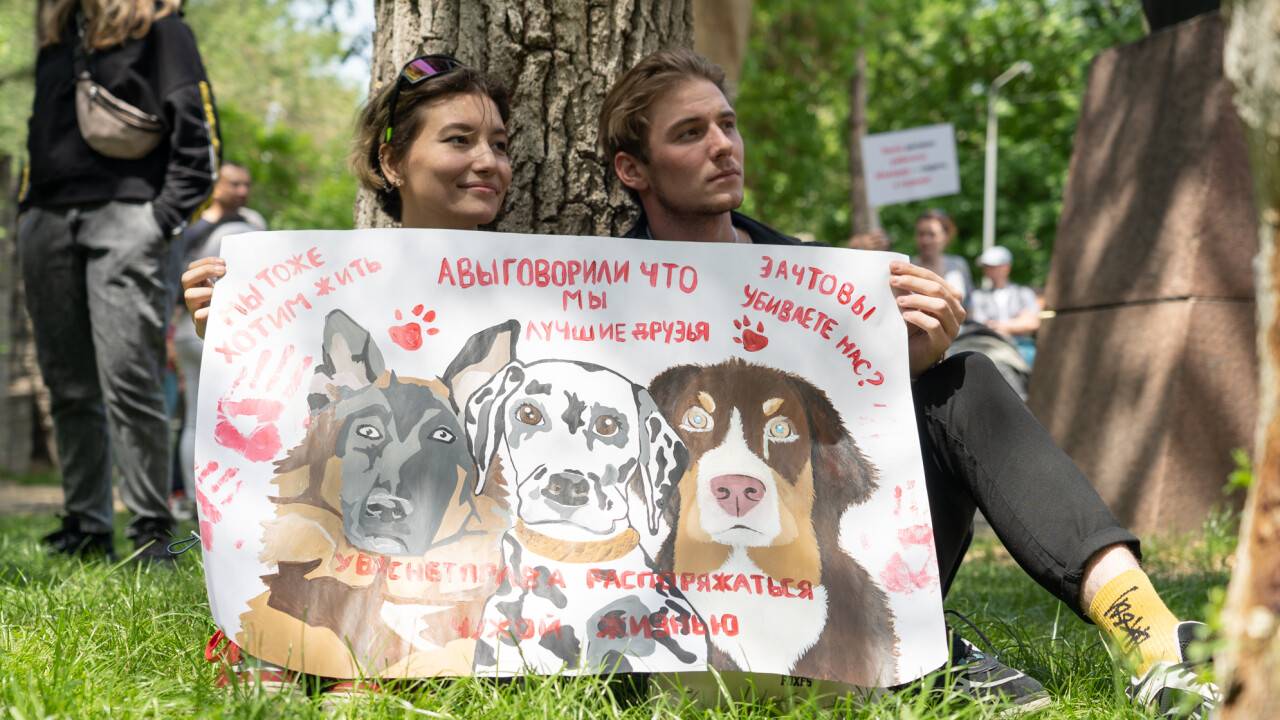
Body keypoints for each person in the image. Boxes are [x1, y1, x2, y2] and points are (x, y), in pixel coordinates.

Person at [598, 48, 1217, 717]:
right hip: (672, 605)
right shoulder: (590, 307)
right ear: (634, 169)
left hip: (824, 566)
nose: (723, 146)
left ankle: (1155, 643)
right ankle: (926, 660)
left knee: (965, 380)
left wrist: (909, 361)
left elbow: (856, 452)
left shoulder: (823, 280)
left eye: (727, 124)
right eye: (690, 134)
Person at [182, 54, 511, 691]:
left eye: (499, 144)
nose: (487, 161)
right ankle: (306, 642)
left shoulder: (547, 296)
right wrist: (230, 331)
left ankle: (378, 657)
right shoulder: (316, 282)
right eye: (459, 139)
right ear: (392, 162)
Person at [18, 0, 220, 563]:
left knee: (129, 378)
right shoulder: (60, 34)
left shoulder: (162, 28)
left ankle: (152, 527)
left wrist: (155, 221)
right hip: (49, 222)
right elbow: (42, 132)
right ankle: (86, 524)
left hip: (127, 220)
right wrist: (29, 211)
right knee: (68, 383)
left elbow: (199, 138)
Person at [171, 163, 267, 519]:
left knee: (243, 415)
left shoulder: (255, 221)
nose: (242, 190)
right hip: (192, 330)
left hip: (247, 332)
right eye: (234, 184)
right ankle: (200, 505)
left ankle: (241, 504)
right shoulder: (189, 228)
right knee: (198, 418)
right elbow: (172, 283)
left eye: (246, 184)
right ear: (215, 186)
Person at [969, 245, 1040, 366]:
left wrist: (997, 325)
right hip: (991, 346)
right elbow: (979, 325)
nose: (988, 270)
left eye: (993, 266)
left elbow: (1032, 323)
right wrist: (1016, 323)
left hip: (1022, 347)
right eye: (987, 266)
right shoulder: (978, 296)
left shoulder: (1024, 293)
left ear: (1007, 267)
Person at [912, 209, 974, 307]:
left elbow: (969, 304)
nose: (925, 240)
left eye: (932, 234)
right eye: (921, 234)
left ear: (945, 236)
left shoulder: (958, 265)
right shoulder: (908, 266)